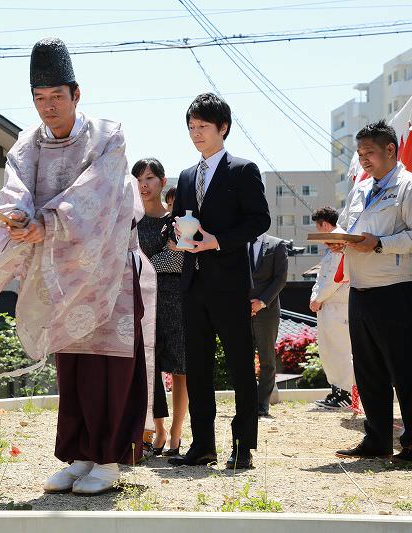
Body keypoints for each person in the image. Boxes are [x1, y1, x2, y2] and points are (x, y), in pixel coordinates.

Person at [0, 37, 156, 494]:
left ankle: (110, 461)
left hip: (109, 267)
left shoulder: (108, 136)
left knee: (108, 364)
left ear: (77, 94)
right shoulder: (27, 145)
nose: (48, 107)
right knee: (72, 362)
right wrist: (19, 218)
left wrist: (48, 222)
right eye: (40, 98)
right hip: (59, 268)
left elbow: (96, 195)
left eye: (57, 96)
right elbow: (16, 191)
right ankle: (80, 454)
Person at [169, 93, 271, 470]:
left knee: (241, 364)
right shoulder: (186, 175)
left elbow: (260, 220)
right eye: (191, 127)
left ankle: (243, 446)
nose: (196, 134)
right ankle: (203, 445)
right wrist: (174, 233)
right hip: (192, 283)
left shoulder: (243, 170)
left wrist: (218, 240)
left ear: (223, 128)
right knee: (197, 367)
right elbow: (179, 218)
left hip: (228, 283)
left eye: (203, 127)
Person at [332, 120, 412, 464]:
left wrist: (380, 245)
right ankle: (376, 439)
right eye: (360, 154)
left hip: (396, 289)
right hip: (361, 288)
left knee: (405, 368)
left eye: (369, 152)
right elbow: (349, 225)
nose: (364, 160)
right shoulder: (360, 189)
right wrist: (339, 239)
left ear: (390, 149)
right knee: (368, 368)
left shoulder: (411, 187)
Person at [134, 159, 188, 457]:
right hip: (141, 301)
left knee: (181, 368)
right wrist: (157, 260)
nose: (144, 184)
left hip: (174, 299)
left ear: (162, 181)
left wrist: (142, 264)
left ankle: (177, 433)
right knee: (147, 368)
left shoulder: (176, 220)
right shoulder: (130, 221)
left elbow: (178, 261)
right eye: (139, 178)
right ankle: (157, 429)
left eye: (150, 178)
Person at [308, 206, 354, 410]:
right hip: (327, 305)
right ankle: (337, 391)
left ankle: (346, 394)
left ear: (324, 224)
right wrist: (315, 297)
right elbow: (321, 277)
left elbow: (337, 277)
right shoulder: (332, 248)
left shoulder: (341, 244)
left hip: (338, 305)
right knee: (328, 351)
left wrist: (319, 298)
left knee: (341, 351)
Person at [249, 233, 288, 418]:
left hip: (268, 310)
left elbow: (280, 279)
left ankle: (262, 403)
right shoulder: (238, 243)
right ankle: (246, 401)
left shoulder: (277, 244)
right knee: (242, 359)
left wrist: (262, 302)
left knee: (267, 359)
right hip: (240, 311)